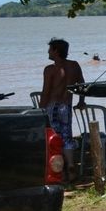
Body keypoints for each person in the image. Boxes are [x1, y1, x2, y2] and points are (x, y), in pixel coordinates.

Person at [42, 38, 85, 182]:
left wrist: (39, 110)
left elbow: (46, 92)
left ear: (55, 51)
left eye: (50, 49)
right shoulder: (74, 65)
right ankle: (71, 167)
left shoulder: (50, 69)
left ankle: (58, 172)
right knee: (67, 137)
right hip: (66, 106)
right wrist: (81, 102)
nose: (48, 52)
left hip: (53, 106)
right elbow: (82, 85)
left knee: (54, 139)